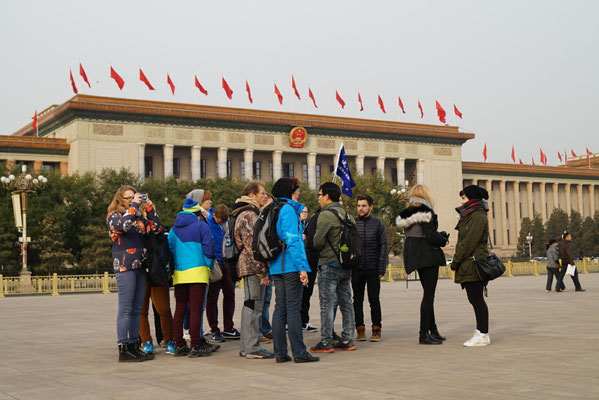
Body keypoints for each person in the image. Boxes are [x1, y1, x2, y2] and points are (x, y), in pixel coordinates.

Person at [107, 186, 162, 362]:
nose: (132, 200)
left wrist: (149, 208)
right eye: (128, 198)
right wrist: (134, 206)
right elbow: (123, 226)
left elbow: (156, 229)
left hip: (141, 265)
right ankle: (124, 348)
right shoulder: (114, 216)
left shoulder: (139, 218)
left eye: (134, 197)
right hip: (124, 265)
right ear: (119, 199)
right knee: (125, 308)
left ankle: (134, 344)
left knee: (138, 308)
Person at [269, 178, 320, 363]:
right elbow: (293, 241)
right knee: (293, 309)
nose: (298, 193)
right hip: (290, 265)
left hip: (276, 266)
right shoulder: (288, 210)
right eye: (296, 190)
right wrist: (302, 268)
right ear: (289, 191)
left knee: (279, 309)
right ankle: (299, 352)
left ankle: (280, 352)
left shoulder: (273, 209)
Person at [396, 186, 449, 345]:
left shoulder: (407, 213)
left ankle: (433, 330)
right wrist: (443, 238)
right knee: (428, 296)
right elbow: (431, 236)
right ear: (425, 195)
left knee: (428, 294)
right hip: (427, 255)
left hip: (414, 255)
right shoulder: (426, 211)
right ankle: (423, 334)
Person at [310, 182, 356, 353]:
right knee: (346, 302)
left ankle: (325, 341)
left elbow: (317, 241)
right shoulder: (347, 215)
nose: (319, 198)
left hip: (329, 264)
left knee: (327, 304)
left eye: (320, 194)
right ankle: (347, 338)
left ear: (327, 196)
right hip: (346, 264)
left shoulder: (326, 215)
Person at [169, 198, 216, 358]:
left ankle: (179, 345)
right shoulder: (201, 225)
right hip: (198, 272)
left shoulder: (174, 230)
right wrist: (208, 265)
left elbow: (169, 251)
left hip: (180, 273)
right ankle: (196, 345)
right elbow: (209, 248)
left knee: (180, 308)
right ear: (196, 213)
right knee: (196, 310)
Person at [233, 181, 273, 359]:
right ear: (251, 194)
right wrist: (261, 272)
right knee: (253, 306)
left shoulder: (247, 212)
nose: (265, 196)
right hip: (251, 267)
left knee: (251, 305)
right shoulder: (249, 214)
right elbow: (252, 247)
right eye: (262, 193)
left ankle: (247, 346)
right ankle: (251, 347)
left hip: (249, 266)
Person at [450, 185, 492, 347]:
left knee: (477, 299)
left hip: (474, 262)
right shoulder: (470, 215)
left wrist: (456, 261)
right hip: (470, 263)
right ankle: (481, 331)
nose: (461, 201)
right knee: (474, 298)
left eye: (464, 198)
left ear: (472, 199)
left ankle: (483, 334)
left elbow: (468, 243)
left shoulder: (477, 216)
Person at [352, 194, 388, 342]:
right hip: (357, 269)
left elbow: (384, 247)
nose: (361, 208)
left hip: (373, 268)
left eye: (364, 206)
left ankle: (376, 329)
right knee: (357, 300)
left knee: (374, 300)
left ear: (370, 207)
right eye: (359, 205)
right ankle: (360, 329)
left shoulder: (378, 224)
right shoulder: (352, 223)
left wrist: (381, 268)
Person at [139, 229, 175, 356]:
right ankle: (146, 341)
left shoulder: (160, 233)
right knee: (142, 311)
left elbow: (167, 253)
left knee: (164, 309)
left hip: (158, 272)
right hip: (141, 272)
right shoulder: (135, 232)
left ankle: (169, 340)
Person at [206, 204, 239, 342]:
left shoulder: (224, 224)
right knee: (212, 297)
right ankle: (214, 329)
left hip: (224, 262)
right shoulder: (207, 224)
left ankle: (228, 326)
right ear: (214, 216)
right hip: (214, 263)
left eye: (224, 220)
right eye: (220, 220)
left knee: (230, 293)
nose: (222, 222)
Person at [300, 206, 319, 333]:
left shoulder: (309, 225)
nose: (304, 214)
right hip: (299, 263)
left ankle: (304, 320)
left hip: (310, 262)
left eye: (306, 212)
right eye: (302, 212)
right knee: (297, 294)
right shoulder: (295, 225)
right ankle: (289, 322)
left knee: (307, 293)